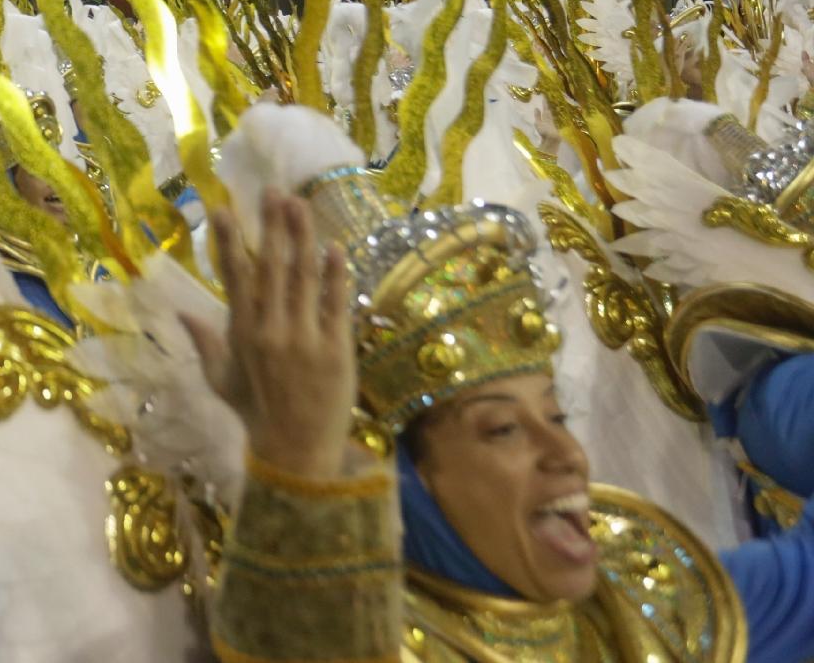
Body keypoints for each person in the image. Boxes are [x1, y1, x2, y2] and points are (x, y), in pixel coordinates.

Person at [198, 154, 814, 663]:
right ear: (401, 480)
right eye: (501, 430)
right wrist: (298, 464)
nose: (566, 455)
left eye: (556, 417)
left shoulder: (638, 595)